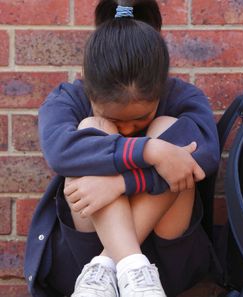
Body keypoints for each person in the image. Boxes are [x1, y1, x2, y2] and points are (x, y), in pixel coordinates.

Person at [23, 1, 220, 297]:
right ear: (89, 86)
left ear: (161, 85)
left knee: (170, 132)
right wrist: (149, 152)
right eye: (118, 119)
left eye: (140, 118)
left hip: (164, 262)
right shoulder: (68, 99)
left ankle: (113, 266)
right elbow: (60, 152)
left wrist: (122, 182)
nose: (128, 128)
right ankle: (125, 263)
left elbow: (203, 157)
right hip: (83, 263)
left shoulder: (182, 98)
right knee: (93, 128)